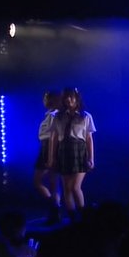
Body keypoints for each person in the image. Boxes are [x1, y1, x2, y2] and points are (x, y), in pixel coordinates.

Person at [48, 87, 97, 218]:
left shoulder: (85, 116)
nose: (68, 99)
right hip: (64, 150)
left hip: (79, 151)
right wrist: (51, 157)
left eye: (71, 96)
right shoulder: (58, 116)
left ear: (76, 98)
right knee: (67, 188)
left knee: (75, 187)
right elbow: (54, 138)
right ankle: (73, 218)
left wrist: (91, 158)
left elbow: (89, 138)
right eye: (66, 97)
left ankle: (84, 215)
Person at [34, 90, 62, 224]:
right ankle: (55, 212)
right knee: (53, 183)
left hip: (48, 148)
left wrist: (51, 156)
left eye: (46, 98)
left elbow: (53, 136)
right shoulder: (50, 114)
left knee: (38, 182)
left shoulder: (54, 115)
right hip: (48, 147)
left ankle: (54, 208)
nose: (44, 101)